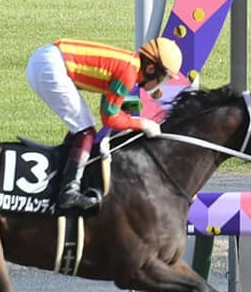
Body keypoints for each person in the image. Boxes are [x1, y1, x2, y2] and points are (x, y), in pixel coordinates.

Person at [25, 37, 183, 210]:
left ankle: (62, 175)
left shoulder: (130, 65)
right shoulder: (128, 73)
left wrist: (136, 116)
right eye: (163, 79)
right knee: (86, 131)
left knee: (81, 127)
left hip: (47, 60)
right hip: (50, 65)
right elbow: (110, 118)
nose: (161, 85)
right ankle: (68, 192)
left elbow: (113, 105)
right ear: (151, 69)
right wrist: (143, 124)